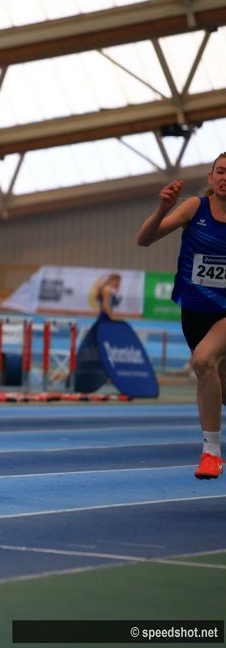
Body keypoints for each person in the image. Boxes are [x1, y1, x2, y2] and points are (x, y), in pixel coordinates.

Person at [137, 154, 226, 479]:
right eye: (221, 171)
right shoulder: (194, 207)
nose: (225, 178)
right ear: (211, 177)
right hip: (194, 313)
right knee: (221, 389)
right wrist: (163, 208)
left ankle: (211, 453)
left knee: (202, 360)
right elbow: (144, 240)